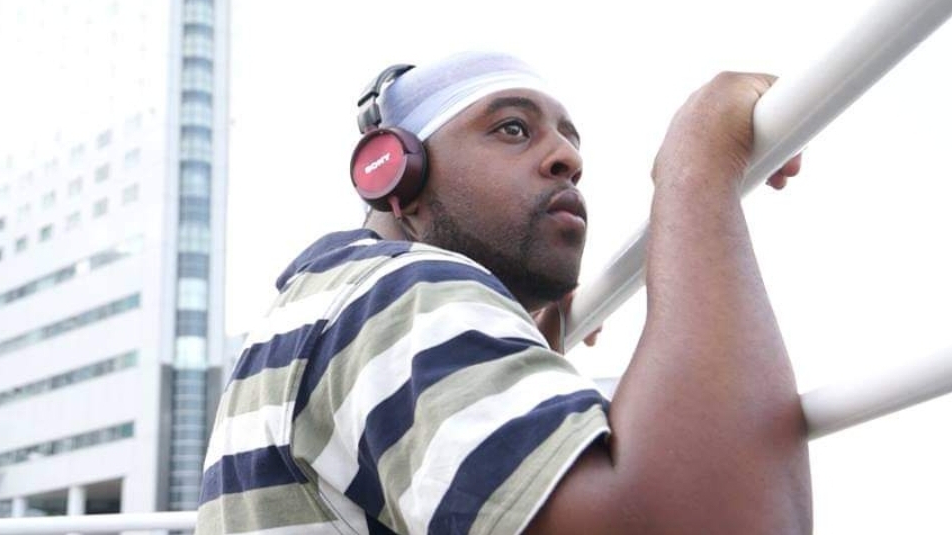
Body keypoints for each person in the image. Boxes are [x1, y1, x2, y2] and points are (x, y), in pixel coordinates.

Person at [196, 51, 812, 534]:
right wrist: (696, 170)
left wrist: (517, 340)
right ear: (396, 176)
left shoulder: (322, 309)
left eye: (572, 141)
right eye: (513, 128)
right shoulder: (400, 294)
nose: (567, 158)